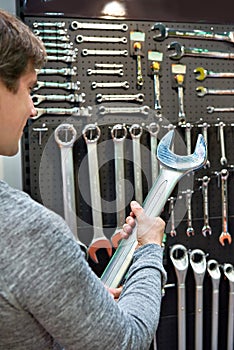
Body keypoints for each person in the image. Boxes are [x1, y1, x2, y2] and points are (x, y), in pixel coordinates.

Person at [0, 8, 167, 350]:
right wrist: (149, 248)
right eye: (29, 88)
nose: (33, 109)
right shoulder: (26, 230)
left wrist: (78, 305)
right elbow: (126, 341)